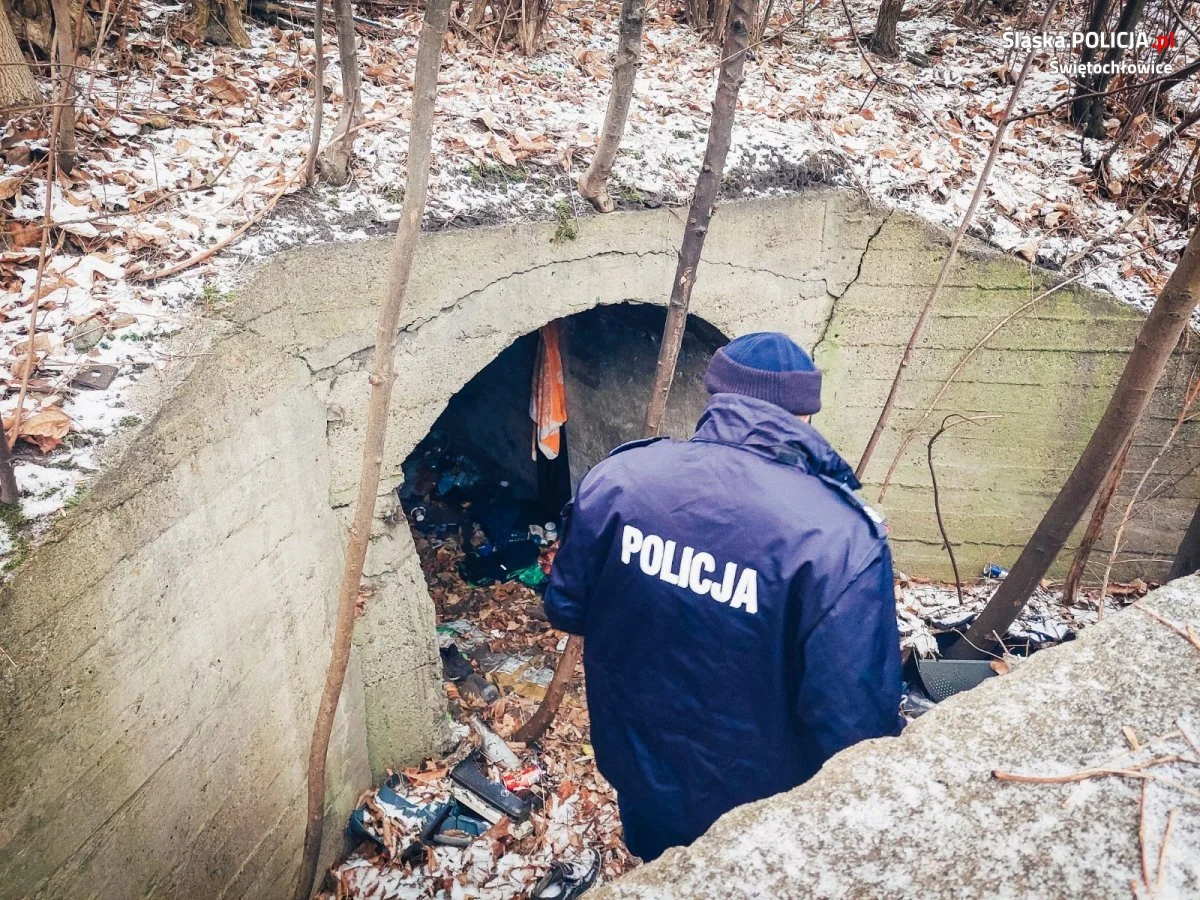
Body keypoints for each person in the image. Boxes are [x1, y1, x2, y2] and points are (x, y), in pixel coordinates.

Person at [543, 331, 903, 862]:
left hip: (640, 768)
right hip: (762, 813)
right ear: (805, 414)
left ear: (716, 396)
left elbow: (565, 606)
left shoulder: (620, 480)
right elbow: (857, 727)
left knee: (661, 869)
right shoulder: (837, 537)